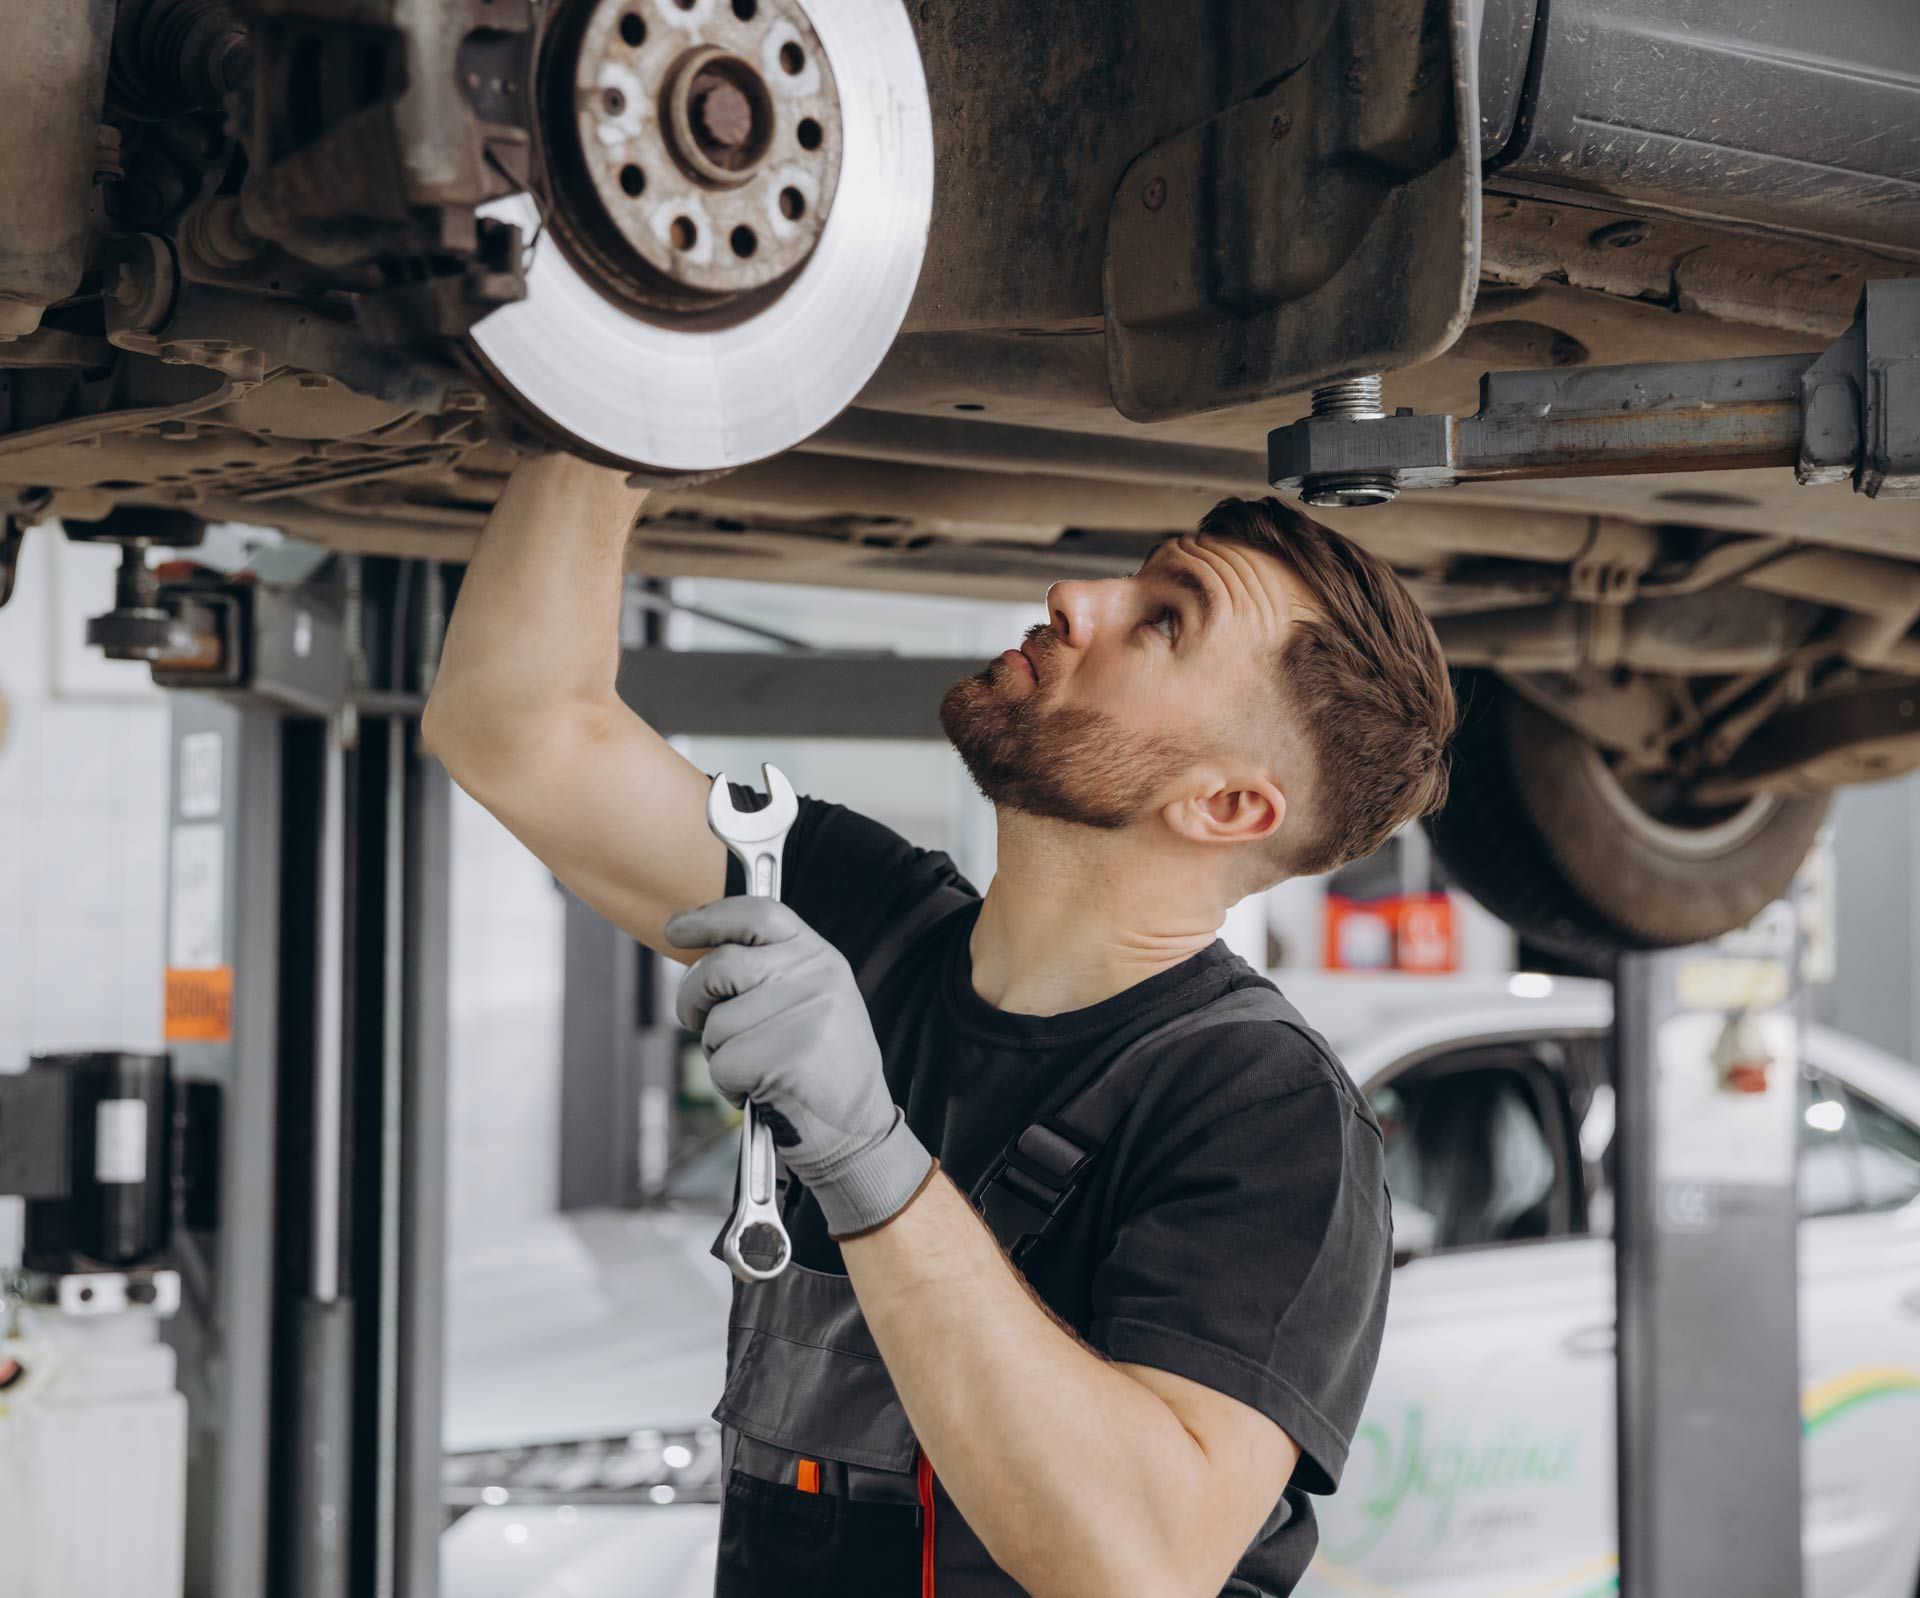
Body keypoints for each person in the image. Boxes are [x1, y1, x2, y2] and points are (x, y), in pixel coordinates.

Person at [423, 453, 1457, 1598]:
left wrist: (868, 1151)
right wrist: (609, 409)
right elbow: (517, 730)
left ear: (1225, 805)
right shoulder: (871, 918)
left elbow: (1142, 1561)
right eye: (1136, 581)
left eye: (1163, 621)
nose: (1077, 599)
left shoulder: (1269, 1112)